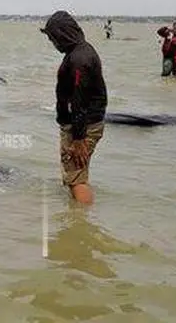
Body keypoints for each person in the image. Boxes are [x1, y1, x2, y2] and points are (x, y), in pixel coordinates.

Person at [40, 11, 107, 205]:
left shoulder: (79, 59)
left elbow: (79, 100)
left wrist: (78, 139)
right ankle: (78, 217)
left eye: (54, 38)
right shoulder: (79, 52)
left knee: (76, 178)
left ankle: (81, 226)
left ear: (63, 34)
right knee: (75, 175)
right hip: (83, 124)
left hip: (83, 127)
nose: (54, 43)